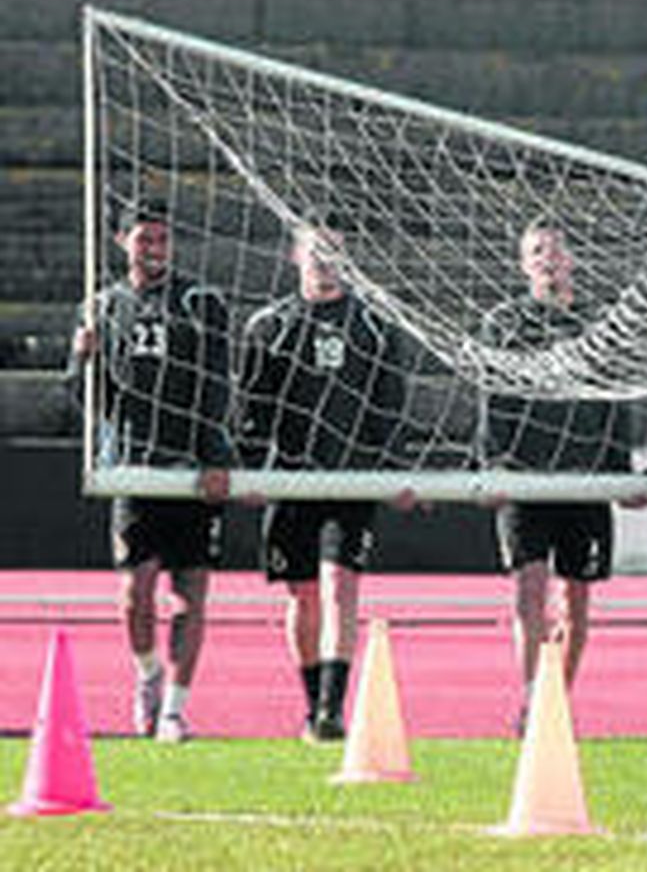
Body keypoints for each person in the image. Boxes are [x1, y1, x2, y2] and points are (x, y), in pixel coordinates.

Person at [237, 223, 412, 743]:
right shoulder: (270, 326)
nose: (325, 260)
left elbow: (388, 408)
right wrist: (250, 470)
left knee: (341, 584)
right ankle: (313, 704)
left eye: (335, 250)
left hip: (351, 479)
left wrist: (395, 471)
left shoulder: (374, 327)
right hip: (292, 480)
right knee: (303, 595)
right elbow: (253, 409)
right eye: (316, 250)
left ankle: (333, 711)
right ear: (296, 255)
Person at [69, 199, 232, 743]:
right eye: (144, 239)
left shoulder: (200, 303)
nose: (155, 249)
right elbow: (87, 401)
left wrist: (216, 455)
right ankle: (147, 676)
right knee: (134, 594)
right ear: (123, 243)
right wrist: (82, 359)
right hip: (133, 467)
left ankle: (174, 712)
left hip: (190, 468)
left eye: (162, 238)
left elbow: (217, 385)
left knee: (191, 594)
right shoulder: (101, 306)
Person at [479, 222, 632, 731]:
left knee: (575, 602)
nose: (548, 258)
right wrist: (492, 464)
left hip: (585, 481)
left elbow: (615, 401)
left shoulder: (598, 325)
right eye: (537, 251)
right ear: (524, 264)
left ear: (572, 259)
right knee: (529, 590)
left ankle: (557, 702)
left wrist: (619, 470)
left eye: (557, 250)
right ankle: (531, 700)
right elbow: (491, 397)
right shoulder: (504, 323)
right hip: (525, 479)